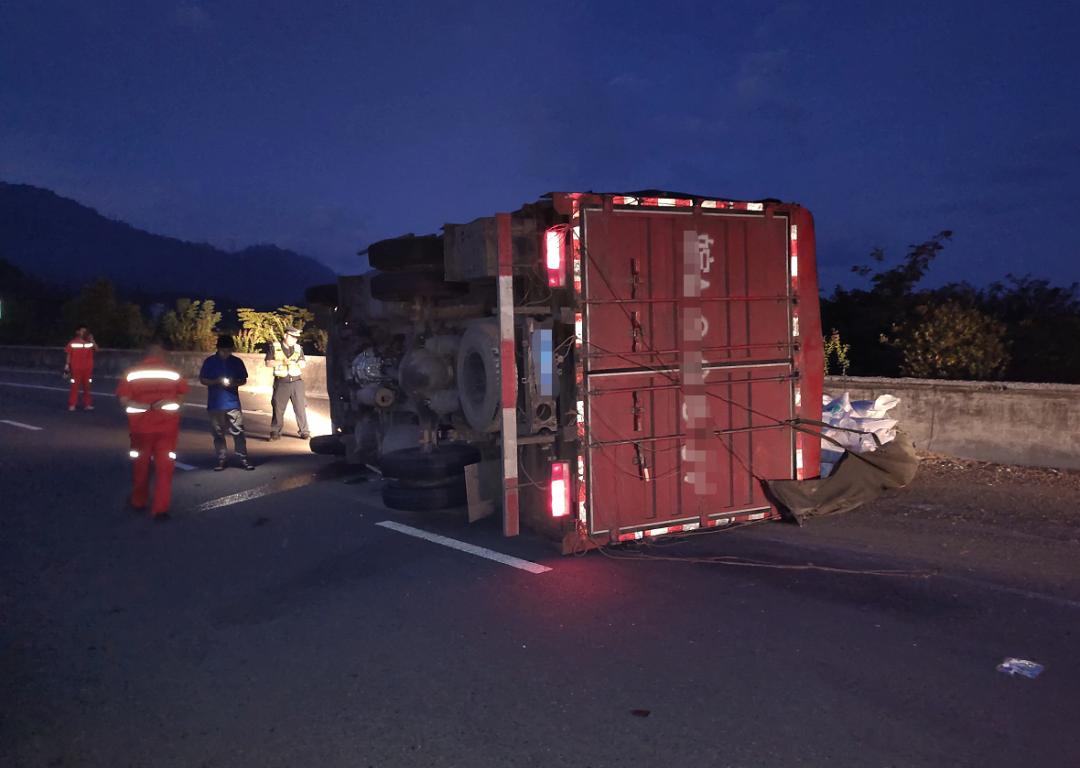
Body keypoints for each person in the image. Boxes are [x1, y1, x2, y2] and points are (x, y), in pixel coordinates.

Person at [115, 341, 188, 521]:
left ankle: (139, 501)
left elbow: (124, 400)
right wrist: (165, 403)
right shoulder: (173, 372)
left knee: (141, 466)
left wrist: (145, 406)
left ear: (144, 355)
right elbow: (181, 396)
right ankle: (160, 509)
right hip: (167, 428)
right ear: (162, 354)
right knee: (165, 468)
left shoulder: (131, 373)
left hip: (140, 429)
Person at [199, 335, 254, 471]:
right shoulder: (210, 361)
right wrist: (216, 381)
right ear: (218, 349)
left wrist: (233, 383)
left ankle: (243, 458)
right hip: (215, 403)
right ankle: (221, 459)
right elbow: (203, 379)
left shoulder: (236, 362)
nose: (226, 353)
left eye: (229, 350)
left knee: (238, 432)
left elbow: (243, 379)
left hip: (233, 403)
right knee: (218, 433)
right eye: (224, 350)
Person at [266, 326, 310, 440]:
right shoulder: (274, 347)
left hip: (297, 382)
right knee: (278, 409)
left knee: (300, 408)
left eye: (296, 338)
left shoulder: (298, 348)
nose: (294, 340)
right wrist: (281, 362)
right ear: (285, 335)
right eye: (292, 337)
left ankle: (304, 431)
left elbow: (303, 362)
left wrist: (301, 363)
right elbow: (268, 363)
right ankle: (275, 432)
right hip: (282, 382)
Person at [64, 324, 97, 411]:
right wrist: (67, 366)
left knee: (87, 387)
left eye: (85, 331)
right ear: (77, 332)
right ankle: (72, 404)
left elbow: (97, 349)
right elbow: (68, 354)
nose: (84, 332)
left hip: (87, 368)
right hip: (76, 368)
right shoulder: (73, 343)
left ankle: (87, 404)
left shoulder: (89, 343)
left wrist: (92, 340)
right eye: (82, 331)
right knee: (75, 387)